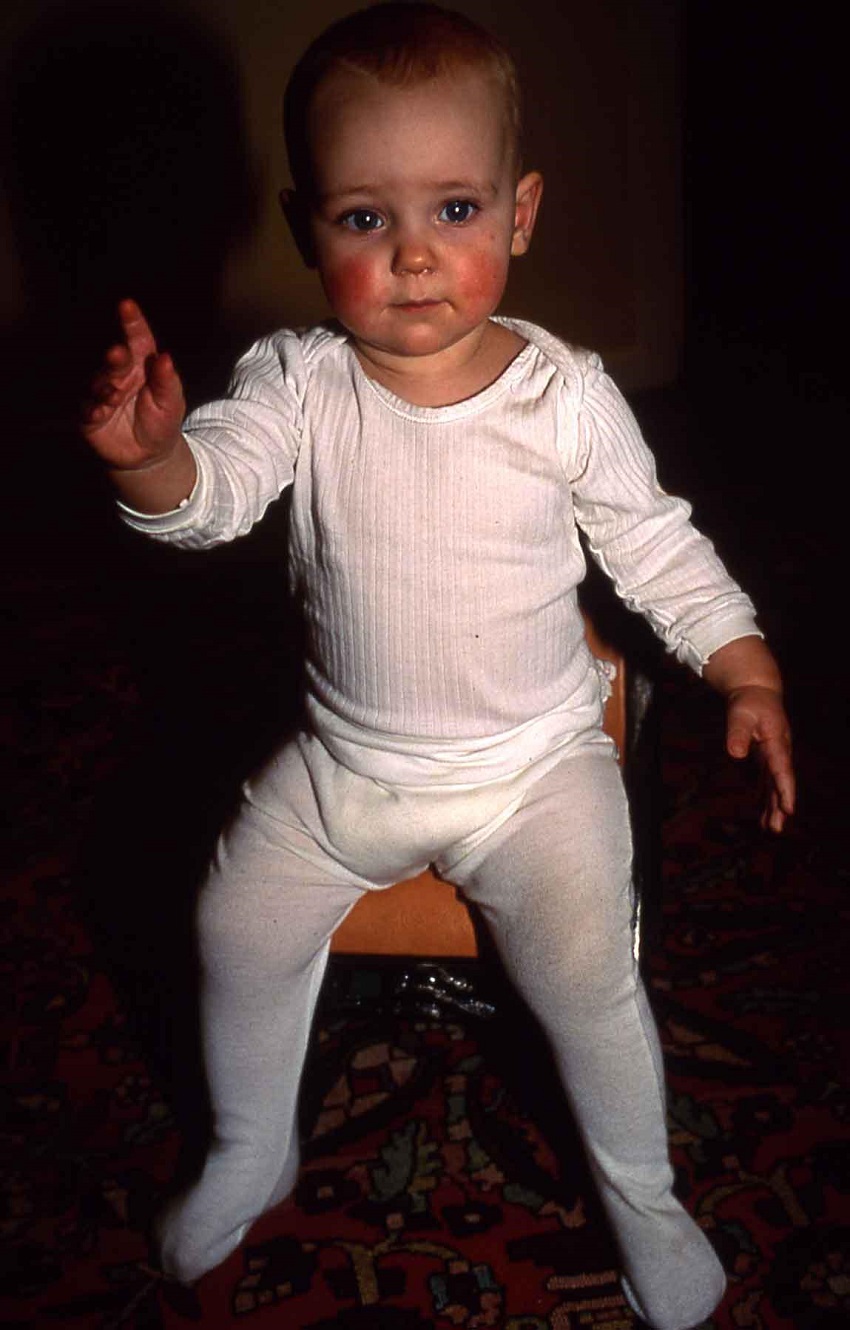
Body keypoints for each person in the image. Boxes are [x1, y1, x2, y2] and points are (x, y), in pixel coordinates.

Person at [82, 5, 794, 1326]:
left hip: (532, 765)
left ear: (519, 213)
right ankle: (251, 1139)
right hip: (348, 762)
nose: (412, 254)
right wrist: (152, 460)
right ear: (307, 230)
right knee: (231, 922)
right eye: (364, 219)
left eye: (453, 207)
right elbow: (216, 493)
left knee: (585, 968)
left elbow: (655, 545)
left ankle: (639, 1190)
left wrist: (742, 666)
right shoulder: (296, 381)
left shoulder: (560, 394)